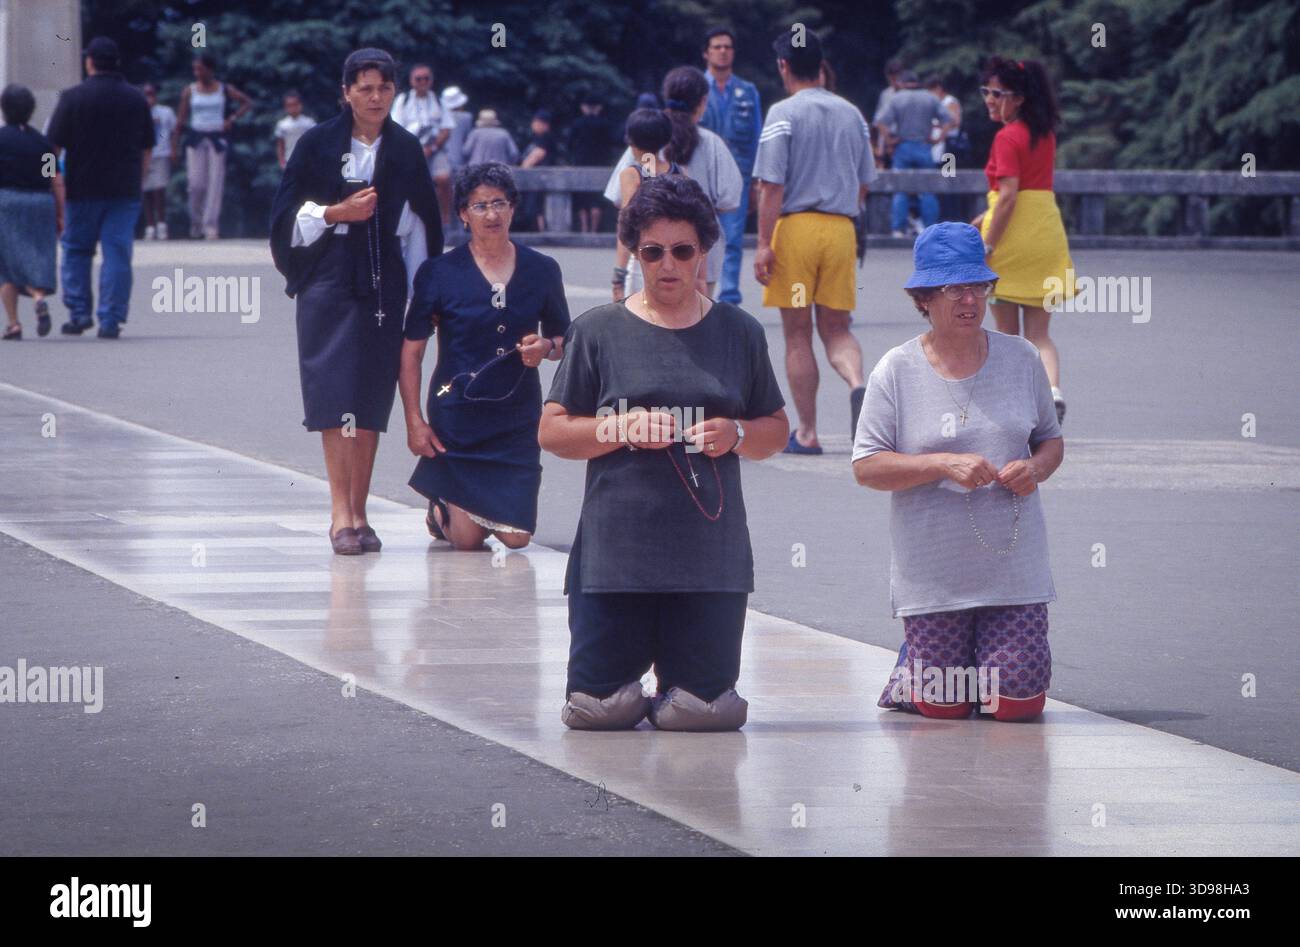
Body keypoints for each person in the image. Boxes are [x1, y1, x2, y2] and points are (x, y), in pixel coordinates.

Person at [540, 174, 789, 731]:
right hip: (616, 558)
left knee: (705, 713)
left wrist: (738, 434)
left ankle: (681, 678)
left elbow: (776, 428)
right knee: (600, 711)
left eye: (683, 251)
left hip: (708, 559)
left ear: (703, 252)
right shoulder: (597, 331)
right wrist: (618, 427)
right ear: (635, 252)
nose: (668, 265)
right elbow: (552, 431)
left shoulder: (739, 332)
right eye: (653, 252)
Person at [852, 222, 1064, 722]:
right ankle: (915, 665)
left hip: (1013, 570)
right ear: (924, 297)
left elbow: (1051, 442)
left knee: (1015, 703)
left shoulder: (1023, 357)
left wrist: (1034, 468)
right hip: (933, 574)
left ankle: (982, 659)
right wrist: (940, 463)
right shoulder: (895, 370)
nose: (969, 299)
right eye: (953, 288)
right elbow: (866, 466)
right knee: (942, 707)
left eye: (978, 287)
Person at [269, 47, 443, 555]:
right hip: (328, 278)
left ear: (395, 92)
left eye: (383, 88)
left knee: (368, 400)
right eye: (364, 88)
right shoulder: (317, 143)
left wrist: (421, 295)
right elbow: (285, 220)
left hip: (384, 281)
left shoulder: (405, 148)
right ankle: (339, 515)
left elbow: (418, 229)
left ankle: (362, 513)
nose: (374, 97)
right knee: (334, 396)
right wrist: (335, 213)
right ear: (345, 92)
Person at [400, 162, 570, 550]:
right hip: (457, 417)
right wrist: (414, 421)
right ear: (462, 213)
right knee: (466, 541)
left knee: (516, 539)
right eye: (479, 206)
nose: (491, 215)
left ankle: (468, 507)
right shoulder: (438, 273)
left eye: (499, 203)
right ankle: (442, 507)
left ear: (513, 207)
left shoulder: (543, 270)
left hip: (516, 418)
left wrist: (545, 348)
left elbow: (565, 340)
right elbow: (411, 352)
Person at [752, 29, 876, 451]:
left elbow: (771, 186)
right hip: (841, 230)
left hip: (798, 230)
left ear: (783, 66)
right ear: (821, 65)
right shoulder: (852, 115)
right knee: (837, 330)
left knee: (798, 335)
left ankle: (807, 432)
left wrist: (763, 243)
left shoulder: (782, 114)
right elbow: (864, 184)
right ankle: (858, 383)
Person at [972, 57, 1073, 423]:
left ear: (1019, 98)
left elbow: (1010, 195)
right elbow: (1027, 191)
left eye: (997, 93)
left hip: (1010, 240)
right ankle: (1052, 392)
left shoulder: (1006, 137)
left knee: (1007, 335)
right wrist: (988, 212)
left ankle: (1016, 409)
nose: (989, 99)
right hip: (1044, 233)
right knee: (1040, 334)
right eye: (986, 91)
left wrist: (986, 247)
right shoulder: (1044, 133)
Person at [46, 36, 154, 339]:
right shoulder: (136, 99)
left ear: (89, 61)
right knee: (117, 253)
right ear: (116, 62)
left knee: (77, 250)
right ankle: (111, 319)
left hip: (81, 189)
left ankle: (79, 314)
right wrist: (140, 179)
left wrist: (51, 178)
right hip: (124, 190)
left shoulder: (72, 98)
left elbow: (51, 146)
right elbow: (147, 147)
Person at [604, 67, 741, 299]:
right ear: (703, 101)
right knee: (696, 323)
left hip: (649, 254)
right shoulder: (712, 144)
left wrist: (619, 274)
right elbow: (730, 201)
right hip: (698, 252)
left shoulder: (642, 143)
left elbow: (621, 205)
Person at [699, 26, 762, 306]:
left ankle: (729, 297)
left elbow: (758, 136)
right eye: (717, 47)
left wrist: (757, 180)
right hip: (700, 174)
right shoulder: (696, 88)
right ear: (706, 53)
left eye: (727, 47)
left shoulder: (747, 91)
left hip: (739, 174)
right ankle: (700, 293)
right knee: (700, 234)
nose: (723, 51)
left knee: (734, 237)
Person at [0, 84, 62, 340]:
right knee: (35, 256)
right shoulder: (43, 144)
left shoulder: (1, 140)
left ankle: (14, 323)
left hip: (7, 201)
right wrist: (60, 213)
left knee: (5, 264)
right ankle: (38, 298)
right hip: (40, 203)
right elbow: (54, 179)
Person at [173, 52, 252, 240]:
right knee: (195, 183)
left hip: (217, 139)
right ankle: (196, 222)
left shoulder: (223, 89)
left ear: (210, 69)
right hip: (196, 138)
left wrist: (231, 118)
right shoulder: (190, 90)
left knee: (215, 183)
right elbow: (180, 120)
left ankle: (210, 226)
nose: (197, 73)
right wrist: (174, 145)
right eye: (195, 69)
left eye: (200, 69)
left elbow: (247, 102)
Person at [608, 108, 680, 301]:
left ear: (631, 141)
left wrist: (619, 275)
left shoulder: (632, 176)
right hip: (676, 257)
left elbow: (627, 225)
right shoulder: (680, 174)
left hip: (643, 257)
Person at [875, 70, 953, 237]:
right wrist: (938, 139)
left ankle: (898, 229)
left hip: (902, 147)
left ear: (902, 83)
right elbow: (949, 119)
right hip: (924, 146)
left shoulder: (897, 98)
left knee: (900, 188)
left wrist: (889, 140)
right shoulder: (929, 97)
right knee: (927, 189)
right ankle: (929, 228)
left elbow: (880, 121)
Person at [390, 63, 455, 226]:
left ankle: (445, 217)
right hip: (409, 149)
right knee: (404, 182)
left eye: (426, 79)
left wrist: (432, 148)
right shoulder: (402, 101)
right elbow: (396, 127)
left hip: (435, 148)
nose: (422, 82)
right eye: (418, 79)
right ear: (412, 81)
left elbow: (446, 129)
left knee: (444, 178)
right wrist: (414, 149)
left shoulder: (440, 102)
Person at [567, 94, 615, 233]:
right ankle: (594, 230)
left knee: (582, 199)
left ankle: (584, 228)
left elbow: (570, 144)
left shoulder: (577, 123)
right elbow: (611, 144)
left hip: (580, 164)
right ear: (599, 107)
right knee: (597, 199)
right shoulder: (605, 124)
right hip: (601, 164)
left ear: (583, 107)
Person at [141, 83, 175, 240]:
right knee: (146, 190)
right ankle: (150, 226)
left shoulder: (165, 112)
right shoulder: (137, 113)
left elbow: (174, 131)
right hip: (143, 155)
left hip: (161, 153)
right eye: (146, 95)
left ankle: (162, 224)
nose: (149, 98)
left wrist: (174, 149)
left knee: (159, 189)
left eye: (151, 94)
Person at [518, 109, 555, 231]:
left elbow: (538, 154)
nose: (533, 125)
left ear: (544, 124)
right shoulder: (538, 138)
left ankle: (541, 230)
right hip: (537, 177)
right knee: (536, 206)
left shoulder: (546, 137)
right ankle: (539, 229)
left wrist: (524, 168)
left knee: (538, 206)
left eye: (536, 122)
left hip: (542, 176)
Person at [872, 58, 905, 168]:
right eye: (892, 79)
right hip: (887, 138)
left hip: (904, 139)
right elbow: (878, 121)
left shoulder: (908, 95)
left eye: (897, 78)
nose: (894, 82)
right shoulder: (886, 94)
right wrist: (882, 144)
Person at [274, 90, 316, 169]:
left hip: (306, 161)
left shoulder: (309, 123)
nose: (292, 108)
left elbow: (315, 142)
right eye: (289, 105)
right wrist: (281, 162)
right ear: (285, 107)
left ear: (300, 105)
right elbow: (280, 145)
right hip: (289, 161)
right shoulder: (282, 125)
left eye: (295, 105)